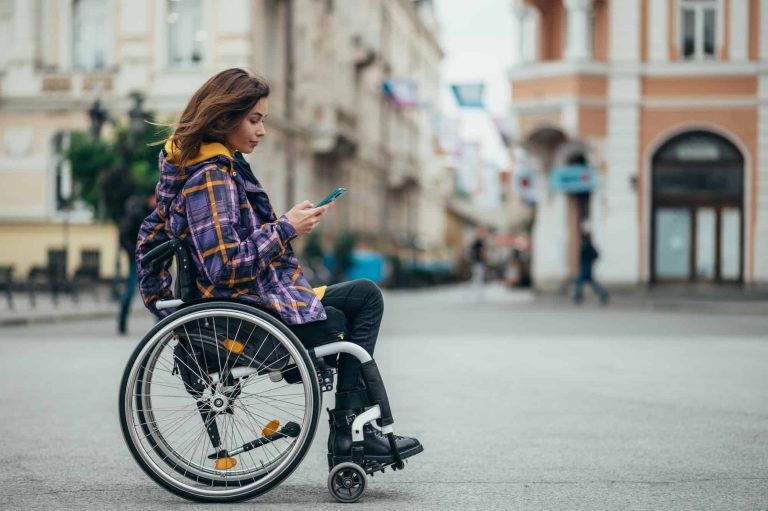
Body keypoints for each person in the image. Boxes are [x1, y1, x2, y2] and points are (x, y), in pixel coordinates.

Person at [135, 68, 422, 465]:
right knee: (348, 314)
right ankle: (349, 434)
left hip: (253, 302)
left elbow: (149, 238)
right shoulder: (211, 178)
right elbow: (225, 267)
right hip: (245, 315)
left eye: (264, 120)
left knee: (365, 296)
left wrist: (162, 306)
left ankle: (351, 432)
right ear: (225, 118)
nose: (262, 130)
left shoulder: (211, 168)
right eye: (254, 120)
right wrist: (286, 228)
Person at [117, 192, 155, 334]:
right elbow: (124, 235)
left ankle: (160, 324)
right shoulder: (137, 213)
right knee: (130, 290)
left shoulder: (158, 213)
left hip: (153, 259)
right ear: (150, 197)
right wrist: (134, 252)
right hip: (137, 259)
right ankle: (122, 321)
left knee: (156, 290)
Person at [573, 232, 609, 305]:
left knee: (579, 282)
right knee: (592, 283)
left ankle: (578, 297)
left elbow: (595, 255)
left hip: (586, 267)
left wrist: (589, 260)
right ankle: (603, 294)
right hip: (586, 266)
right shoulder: (586, 245)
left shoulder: (587, 246)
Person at [468, 226, 487, 301]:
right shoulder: (478, 242)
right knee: (477, 277)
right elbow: (481, 253)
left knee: (478, 277)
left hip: (477, 262)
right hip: (477, 262)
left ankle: (477, 292)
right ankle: (476, 292)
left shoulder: (477, 242)